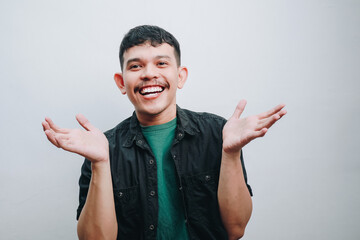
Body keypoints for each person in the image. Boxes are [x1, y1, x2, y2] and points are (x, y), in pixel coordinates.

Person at [42, 25, 286, 240]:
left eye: (161, 63)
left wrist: (231, 153)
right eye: (136, 66)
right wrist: (101, 162)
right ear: (121, 82)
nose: (149, 74)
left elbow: (235, 229)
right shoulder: (102, 148)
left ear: (180, 77)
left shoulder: (218, 134)